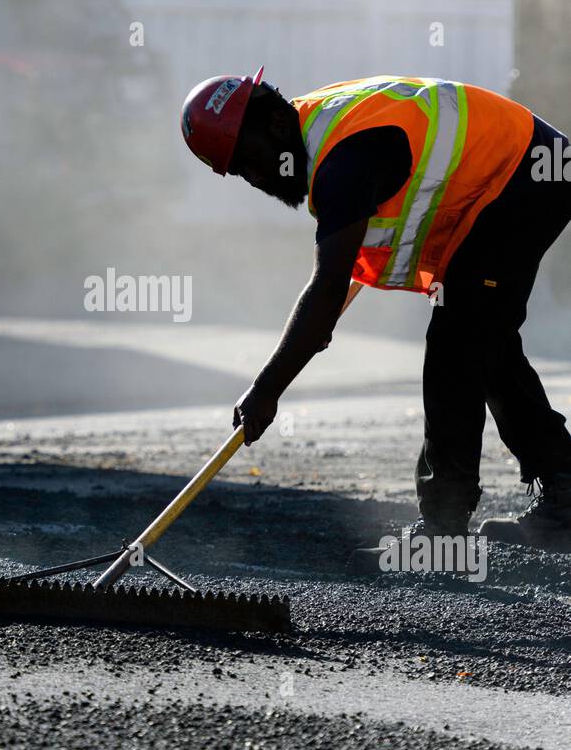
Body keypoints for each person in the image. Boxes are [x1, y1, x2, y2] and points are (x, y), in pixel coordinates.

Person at [180, 70, 571, 549]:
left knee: (458, 341)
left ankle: (444, 527)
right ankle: (563, 495)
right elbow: (333, 287)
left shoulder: (343, 159)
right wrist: (312, 329)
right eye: (240, 173)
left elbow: (326, 291)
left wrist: (266, 389)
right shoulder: (315, 131)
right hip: (518, 172)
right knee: (483, 340)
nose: (255, 178)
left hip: (528, 172)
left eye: (250, 160)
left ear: (276, 126)